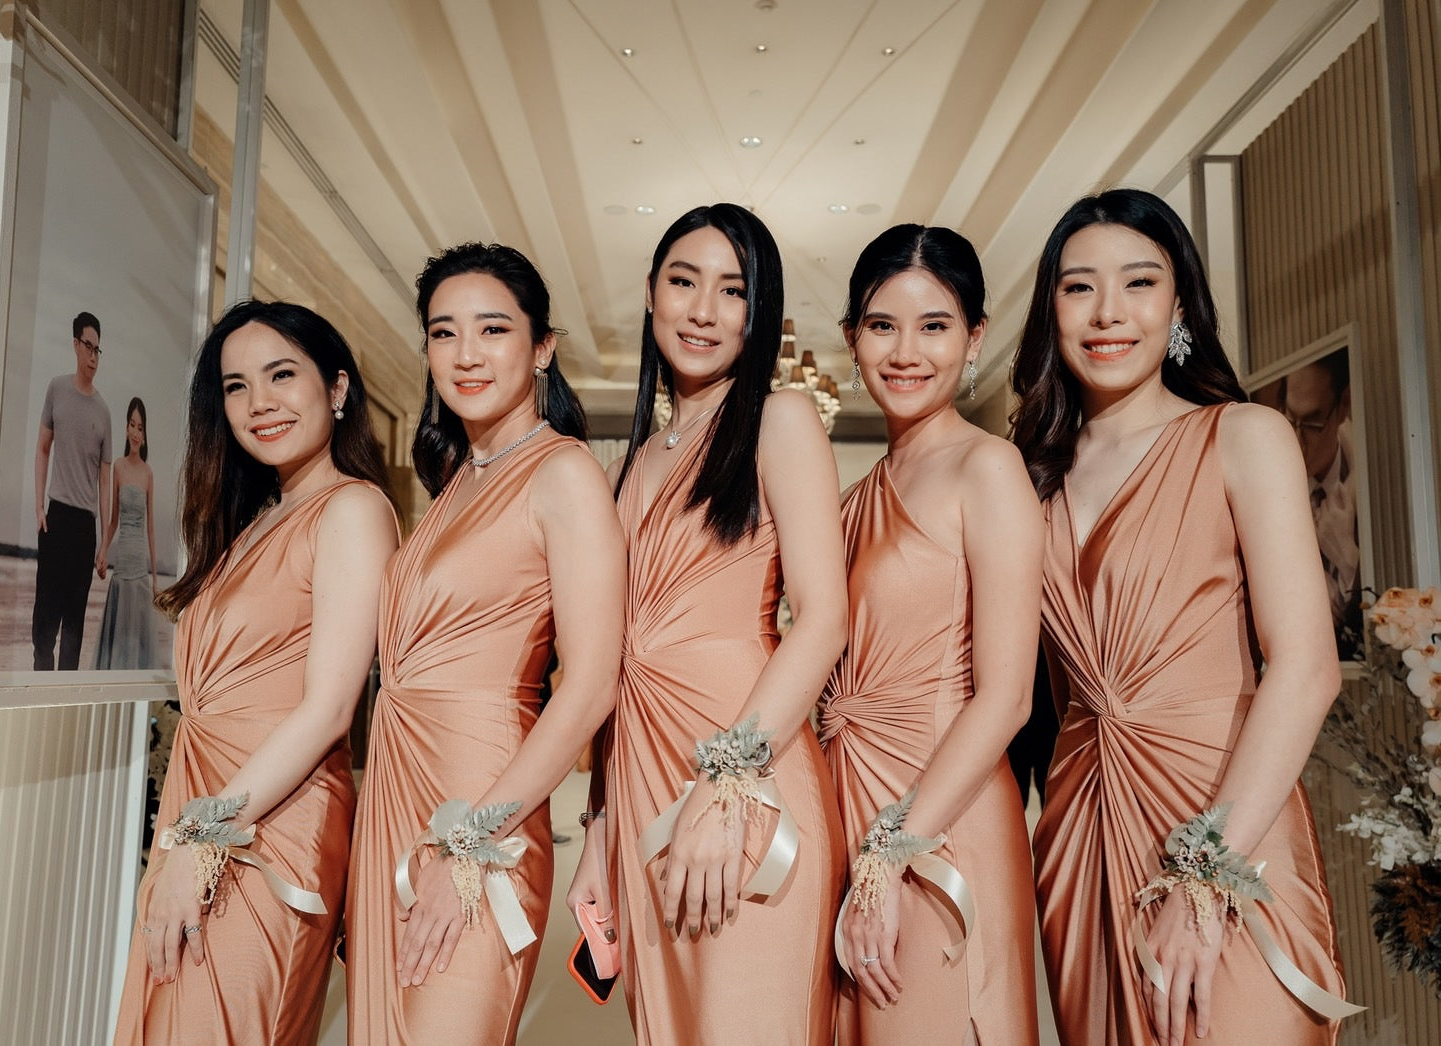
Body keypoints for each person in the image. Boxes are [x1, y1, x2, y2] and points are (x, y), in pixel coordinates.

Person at [1010, 188, 1354, 1046]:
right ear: (1050, 309)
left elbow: (1308, 668)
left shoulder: (1243, 436)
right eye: (1079, 287)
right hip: (1081, 831)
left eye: (1139, 282)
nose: (1109, 312)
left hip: (1224, 815)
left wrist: (1205, 876)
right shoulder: (1025, 475)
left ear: (1180, 306)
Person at [568, 203, 847, 1044]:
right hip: (642, 779)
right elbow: (607, 668)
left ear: (759, 316)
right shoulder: (624, 468)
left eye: (732, 292)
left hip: (742, 777)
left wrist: (726, 787)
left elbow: (824, 618)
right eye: (683, 282)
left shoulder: (780, 420)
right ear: (650, 294)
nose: (702, 310)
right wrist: (598, 830)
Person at [345, 243, 624, 1045]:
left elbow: (592, 684)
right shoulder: (455, 480)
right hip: (398, 794)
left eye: (493, 329)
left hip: (480, 803)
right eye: (443, 332)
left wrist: (471, 841)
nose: (465, 354)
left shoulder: (563, 473)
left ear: (542, 348)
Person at [113, 301, 398, 1045]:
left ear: (337, 390)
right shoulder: (255, 519)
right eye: (236, 386)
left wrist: (202, 840)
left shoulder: (353, 510)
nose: (259, 402)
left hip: (270, 826)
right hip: (209, 808)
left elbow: (330, 708)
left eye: (281, 375)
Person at [819, 224, 1041, 1044]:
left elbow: (1009, 695)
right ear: (852, 339)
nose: (905, 351)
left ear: (975, 336)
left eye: (934, 325)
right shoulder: (852, 498)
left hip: (940, 814)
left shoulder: (989, 469)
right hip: (851, 799)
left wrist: (892, 850)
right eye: (882, 326)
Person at [32, 310, 112, 669]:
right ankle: (38, 689)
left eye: (98, 350)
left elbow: (105, 481)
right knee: (44, 620)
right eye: (88, 347)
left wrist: (104, 542)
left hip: (84, 528)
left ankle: (60, 688)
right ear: (76, 345)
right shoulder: (57, 389)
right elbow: (42, 448)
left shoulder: (104, 412)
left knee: (74, 625)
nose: (93, 357)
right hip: (56, 517)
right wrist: (38, 508)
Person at [1282, 355, 1361, 658]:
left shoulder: (1367, 480)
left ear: (1343, 407)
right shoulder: (1272, 480)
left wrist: (1347, 560)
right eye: (1290, 419)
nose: (1297, 441)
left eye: (1313, 423)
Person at [94, 397, 158, 669]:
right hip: (121, 567)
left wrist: (156, 579)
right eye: (132, 425)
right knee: (117, 643)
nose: (135, 431)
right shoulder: (118, 467)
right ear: (126, 428)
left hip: (139, 567)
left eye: (140, 427)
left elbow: (151, 528)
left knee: (137, 642)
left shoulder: (148, 473)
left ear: (144, 435)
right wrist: (103, 550)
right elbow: (112, 521)